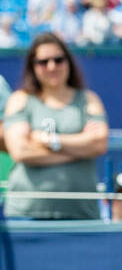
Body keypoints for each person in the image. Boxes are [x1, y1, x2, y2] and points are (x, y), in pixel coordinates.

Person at [2, 33, 108, 221]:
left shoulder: (89, 100)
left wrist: (49, 140)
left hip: (81, 214)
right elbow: (20, 151)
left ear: (69, 62)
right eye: (43, 62)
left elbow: (98, 144)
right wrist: (79, 149)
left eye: (58, 60)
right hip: (26, 213)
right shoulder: (20, 100)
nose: (52, 67)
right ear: (32, 66)